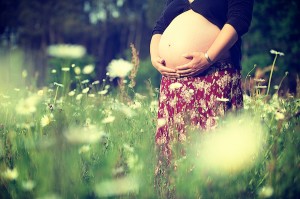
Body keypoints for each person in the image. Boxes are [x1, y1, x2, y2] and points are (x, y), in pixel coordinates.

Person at [150, 0, 254, 187]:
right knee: (174, 153)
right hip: (173, 86)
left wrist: (208, 58)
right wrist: (154, 58)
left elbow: (239, 20)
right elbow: (159, 28)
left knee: (211, 151)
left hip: (214, 77)